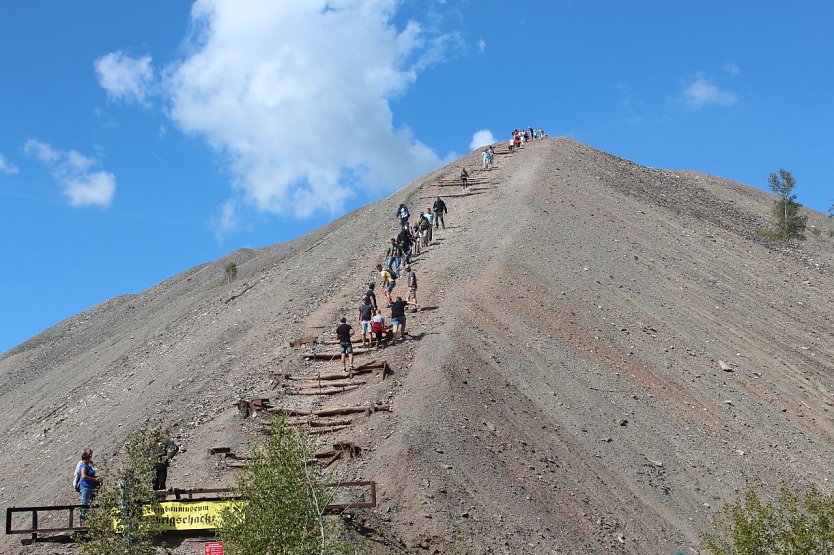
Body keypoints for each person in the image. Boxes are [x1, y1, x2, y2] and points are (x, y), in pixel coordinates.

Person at [78, 449, 100, 524]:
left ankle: (87, 520)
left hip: (90, 486)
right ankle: (82, 521)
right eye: (88, 457)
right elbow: (84, 476)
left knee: (89, 503)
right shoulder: (83, 466)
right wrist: (94, 479)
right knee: (85, 503)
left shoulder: (88, 466)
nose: (89, 458)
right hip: (86, 486)